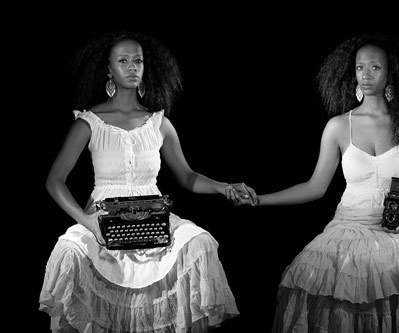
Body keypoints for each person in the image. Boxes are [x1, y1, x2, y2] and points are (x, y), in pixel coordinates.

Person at [238, 33, 399, 332]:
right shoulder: (338, 126)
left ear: (391, 72)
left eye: (375, 67)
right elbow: (315, 187)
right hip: (348, 227)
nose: (366, 75)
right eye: (360, 67)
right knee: (316, 285)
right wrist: (260, 199)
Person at [39, 31, 255, 332]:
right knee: (69, 251)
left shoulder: (159, 123)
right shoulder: (88, 122)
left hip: (153, 213)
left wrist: (224, 186)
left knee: (200, 242)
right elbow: (55, 181)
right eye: (123, 61)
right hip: (103, 218)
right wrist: (87, 222)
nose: (132, 67)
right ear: (108, 70)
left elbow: (187, 176)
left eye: (137, 60)